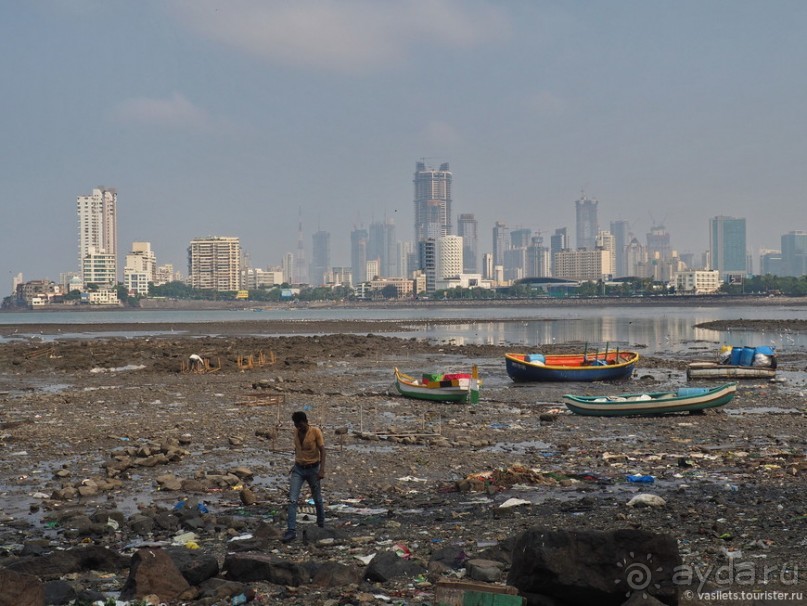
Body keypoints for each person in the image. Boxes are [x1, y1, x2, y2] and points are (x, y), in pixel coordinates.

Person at [282, 411, 326, 543]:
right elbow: (297, 449)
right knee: (292, 500)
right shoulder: (296, 432)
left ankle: (321, 525)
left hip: (313, 469)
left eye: (300, 424)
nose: (298, 427)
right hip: (299, 469)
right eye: (296, 425)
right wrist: (296, 462)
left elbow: (323, 450)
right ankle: (291, 531)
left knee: (317, 499)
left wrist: (322, 470)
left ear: (305, 422)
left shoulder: (315, 432)